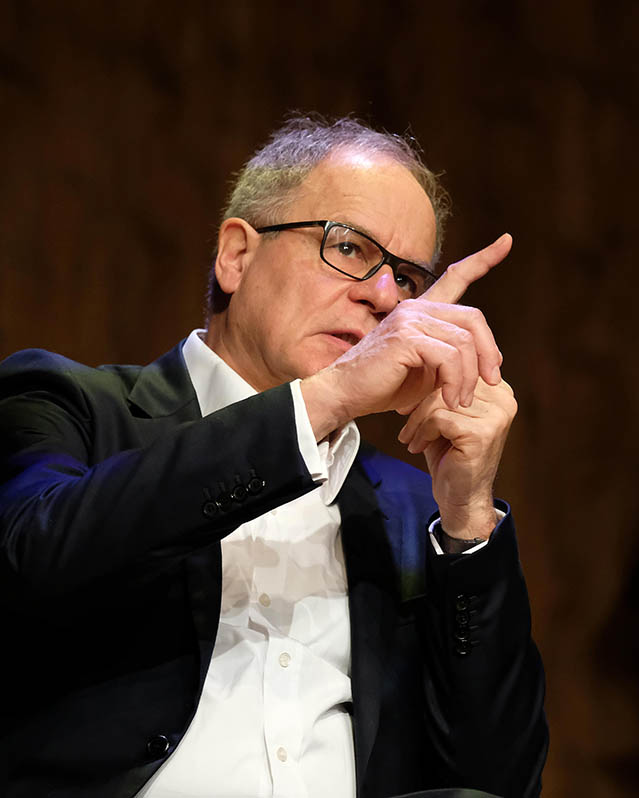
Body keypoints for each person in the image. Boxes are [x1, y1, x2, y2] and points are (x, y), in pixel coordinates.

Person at [0, 116, 547, 798]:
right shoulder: (70, 405)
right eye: (349, 246)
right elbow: (32, 558)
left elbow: (500, 777)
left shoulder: (416, 511)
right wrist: (327, 399)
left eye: (408, 279)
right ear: (235, 255)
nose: (384, 297)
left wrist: (468, 515)